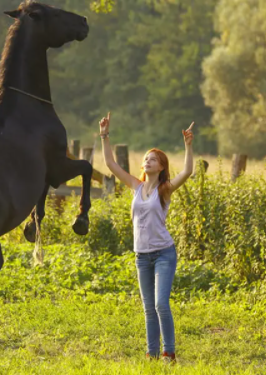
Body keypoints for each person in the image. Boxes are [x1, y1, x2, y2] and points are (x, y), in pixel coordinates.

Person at [99, 112, 194, 363]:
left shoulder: (165, 189)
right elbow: (110, 164)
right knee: (148, 308)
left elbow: (187, 171)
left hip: (164, 253)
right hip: (141, 255)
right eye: (146, 159)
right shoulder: (135, 186)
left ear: (161, 166)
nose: (147, 161)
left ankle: (168, 352)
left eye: (153, 159)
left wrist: (187, 145)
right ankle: (151, 354)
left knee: (161, 304)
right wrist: (104, 135)